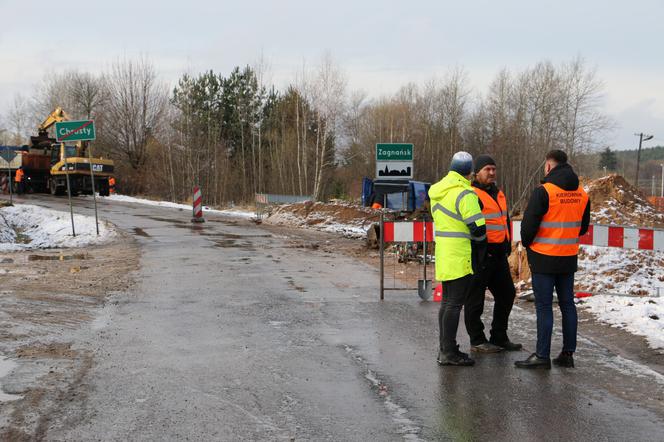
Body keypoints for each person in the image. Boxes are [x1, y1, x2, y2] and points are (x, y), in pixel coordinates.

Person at [515, 150, 590, 369]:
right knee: (568, 304)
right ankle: (567, 354)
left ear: (548, 166)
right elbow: (583, 227)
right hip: (568, 258)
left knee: (544, 306)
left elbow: (528, 226)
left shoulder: (544, 192)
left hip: (544, 258)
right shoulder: (582, 194)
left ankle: (541, 356)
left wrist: (528, 244)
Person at [429, 151, 487, 366]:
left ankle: (446, 348)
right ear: (470, 172)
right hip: (461, 253)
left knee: (447, 302)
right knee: (454, 304)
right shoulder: (465, 194)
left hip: (444, 252)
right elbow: (479, 230)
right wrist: (482, 249)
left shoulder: (438, 191)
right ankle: (448, 353)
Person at [465, 155, 522, 353]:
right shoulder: (471, 194)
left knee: (507, 294)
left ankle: (499, 336)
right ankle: (477, 340)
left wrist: (507, 245)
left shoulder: (498, 193)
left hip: (499, 254)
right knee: (475, 299)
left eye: (493, 169)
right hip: (480, 253)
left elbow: (503, 220)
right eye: (487, 169)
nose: (491, 173)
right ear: (477, 172)